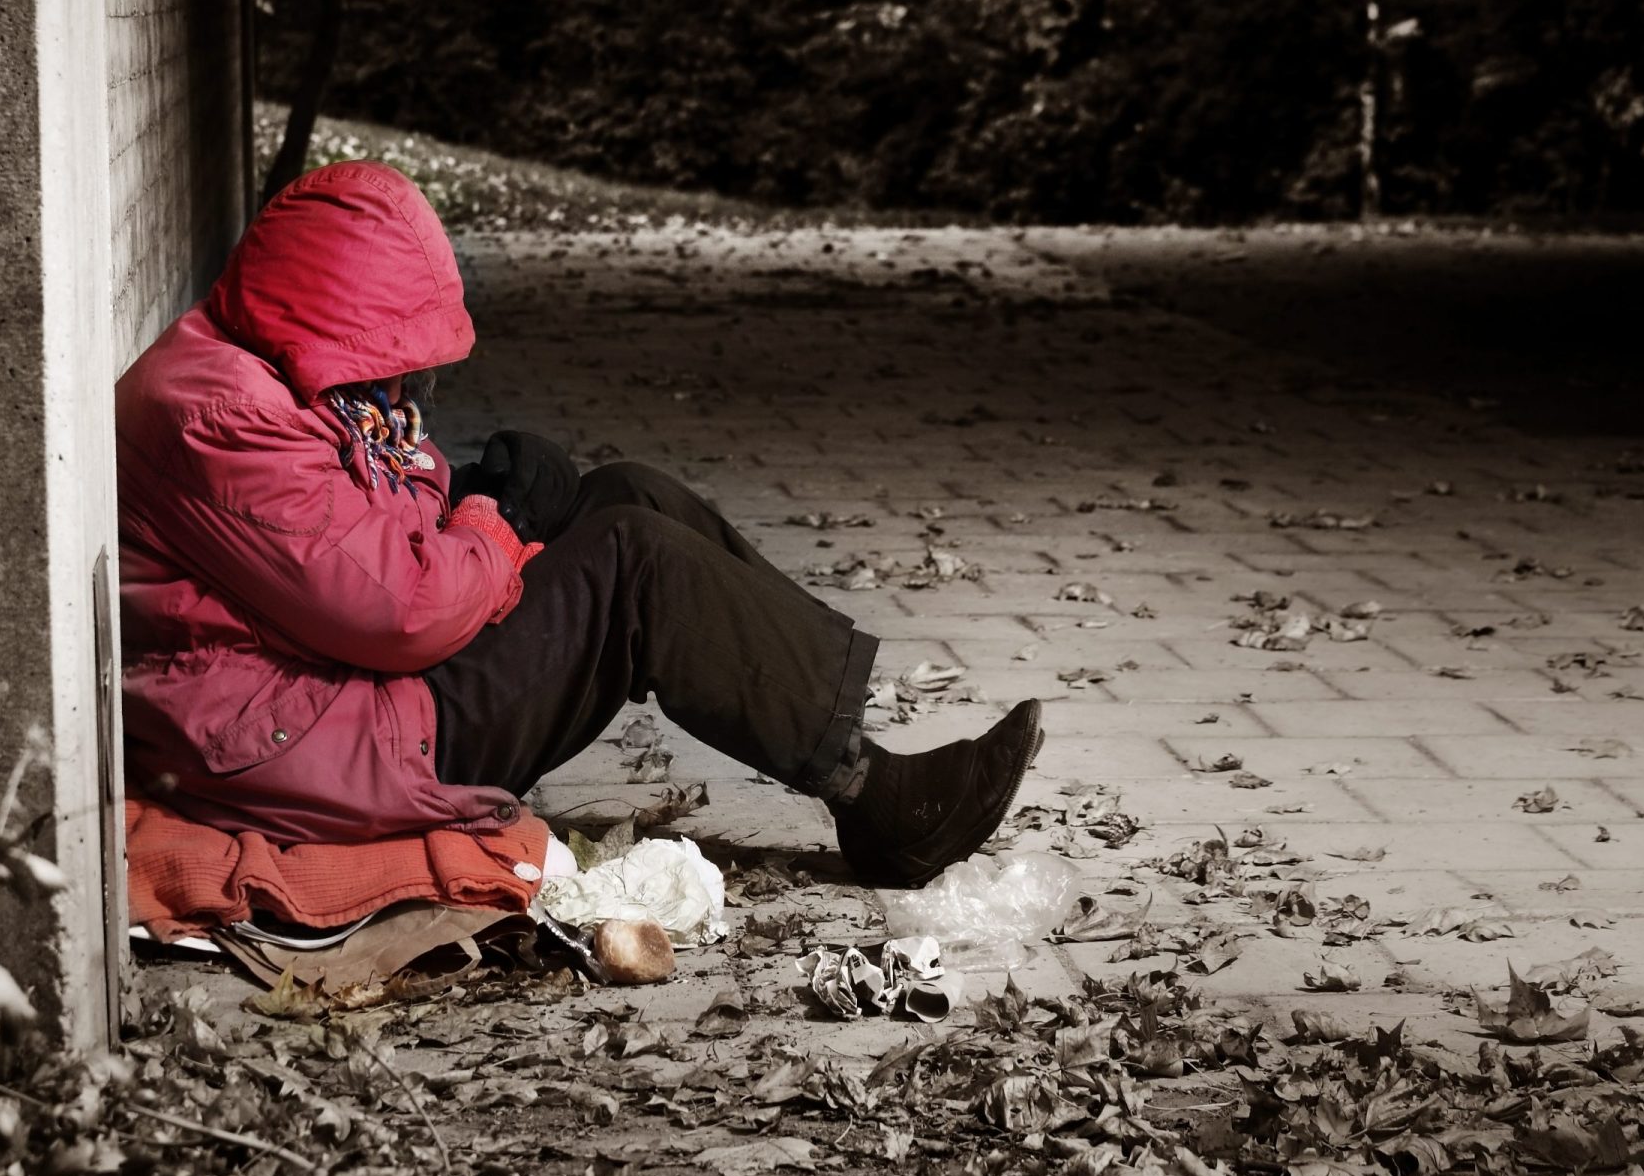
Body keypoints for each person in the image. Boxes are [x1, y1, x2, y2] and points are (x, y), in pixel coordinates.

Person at [114, 160, 1042, 888]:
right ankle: (877, 801)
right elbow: (399, 613)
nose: (406, 389)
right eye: (395, 362)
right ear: (341, 322)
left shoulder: (274, 369)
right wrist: (494, 516)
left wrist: (461, 489)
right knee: (631, 563)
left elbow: (368, 503)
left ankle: (857, 763)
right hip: (332, 736)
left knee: (624, 492)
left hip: (339, 688)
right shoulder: (220, 417)